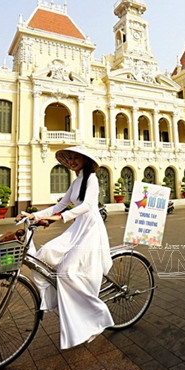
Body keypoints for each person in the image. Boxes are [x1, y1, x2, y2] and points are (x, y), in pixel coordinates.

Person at [16, 146, 113, 349]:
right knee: (44, 256)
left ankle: (98, 315)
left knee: (68, 272)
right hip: (77, 227)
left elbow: (86, 206)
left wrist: (60, 218)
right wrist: (35, 215)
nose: (72, 161)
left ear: (85, 160)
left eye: (75, 157)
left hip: (89, 229)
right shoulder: (76, 181)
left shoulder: (92, 179)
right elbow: (59, 205)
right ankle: (63, 303)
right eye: (69, 158)